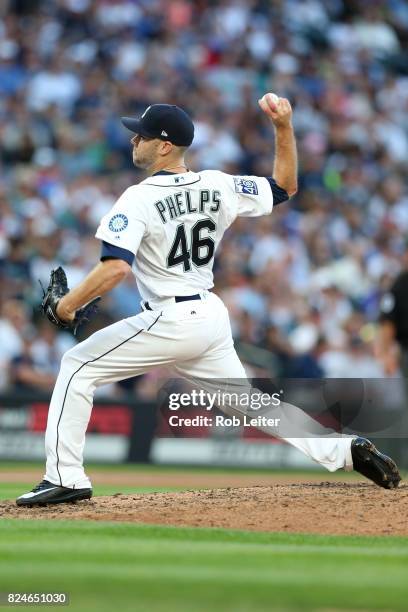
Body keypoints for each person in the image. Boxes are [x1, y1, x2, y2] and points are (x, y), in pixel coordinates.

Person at [17, 96, 401, 506]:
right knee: (250, 406)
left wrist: (66, 305)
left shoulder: (138, 198)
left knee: (77, 365)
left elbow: (115, 269)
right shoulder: (219, 184)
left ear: (164, 146)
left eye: (141, 135)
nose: (133, 140)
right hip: (209, 316)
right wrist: (284, 127)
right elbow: (285, 187)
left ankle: (66, 476)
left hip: (171, 317)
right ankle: (343, 450)